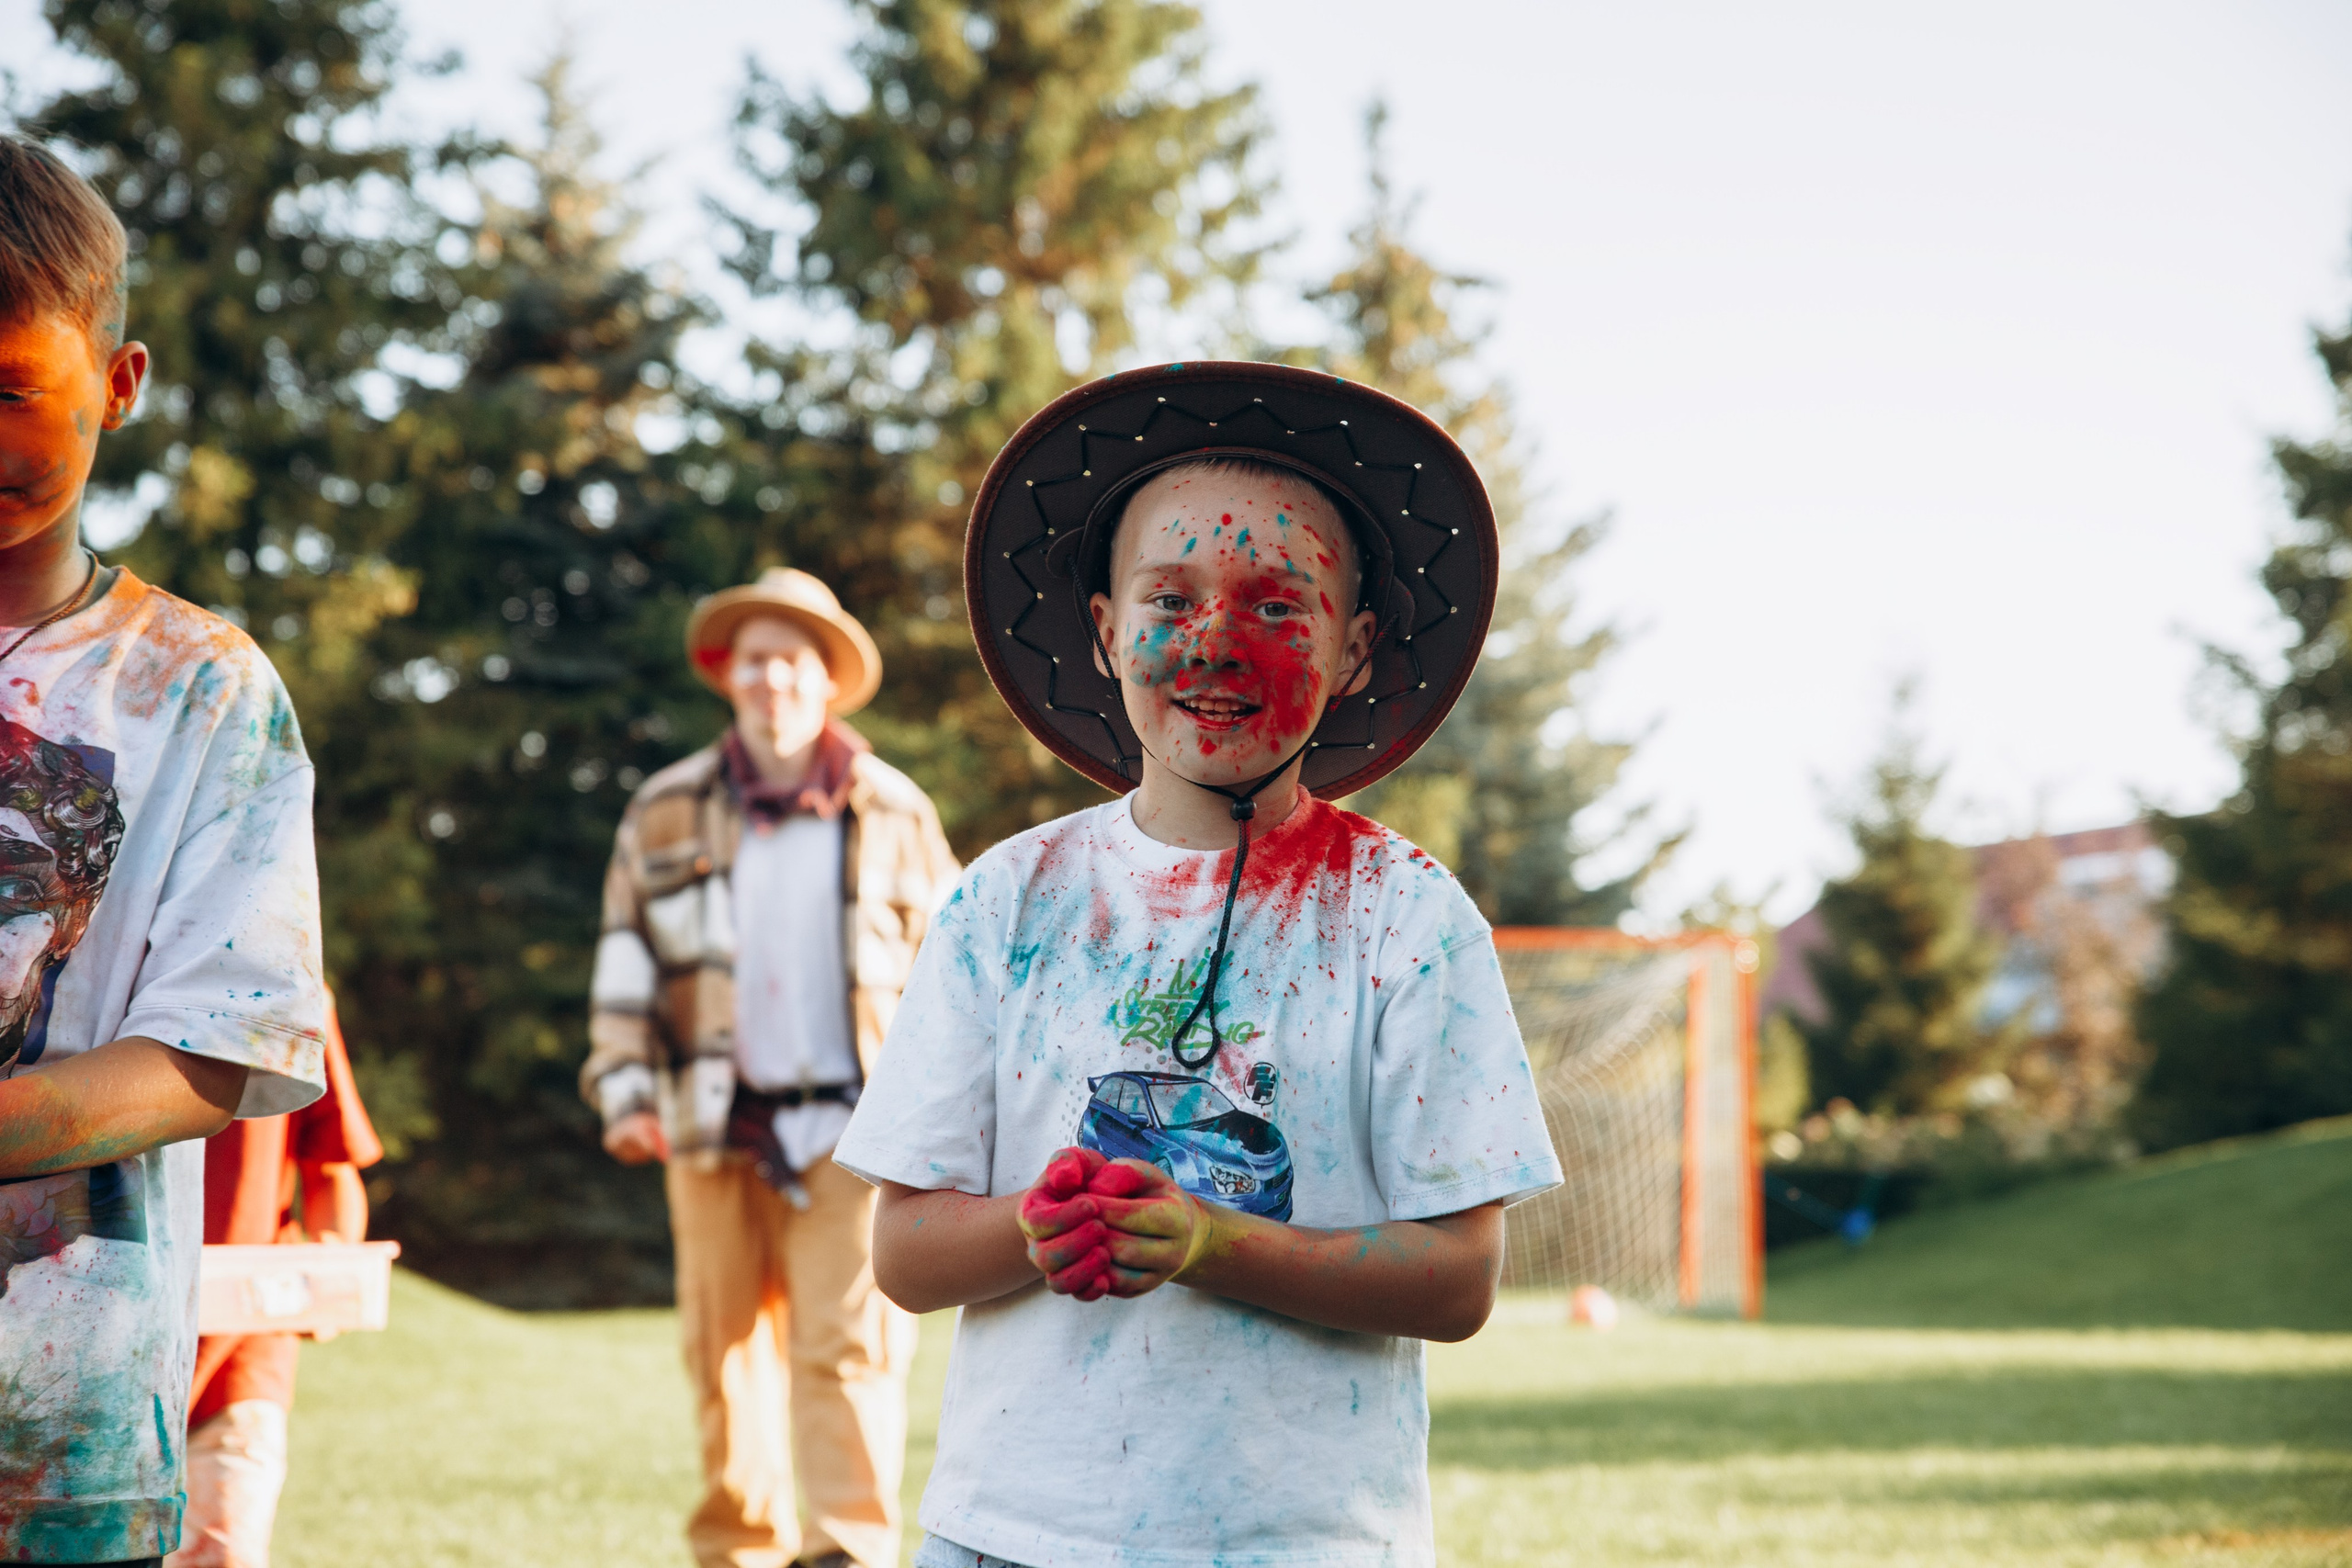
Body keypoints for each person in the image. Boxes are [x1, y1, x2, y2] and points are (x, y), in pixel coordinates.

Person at [831, 362, 1567, 1568]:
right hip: (1010, 1534)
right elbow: (902, 1255)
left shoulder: (1408, 916)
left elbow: (1456, 1277)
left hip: (1306, 1540)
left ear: (1355, 647)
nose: (1217, 639)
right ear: (1108, 631)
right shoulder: (1003, 903)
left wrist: (1215, 1240)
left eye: (1279, 606)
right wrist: (1041, 1222)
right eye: (1170, 599)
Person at [0, 136, 328, 1567]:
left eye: (11, 391)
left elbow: (216, 1048)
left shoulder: (201, 688)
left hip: (59, 1425)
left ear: (117, 385)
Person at [581, 568, 959, 1568]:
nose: (772, 677)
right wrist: (622, 1089)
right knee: (722, 1353)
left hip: (857, 1126)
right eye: (755, 658)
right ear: (728, 675)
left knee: (851, 1355)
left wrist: (952, 1119)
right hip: (710, 1119)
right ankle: (740, 1551)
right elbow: (626, 957)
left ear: (827, 678)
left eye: (793, 658)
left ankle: (845, 1549)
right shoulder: (663, 808)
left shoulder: (895, 809)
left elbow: (956, 981)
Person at [166, 999, 382, 1568]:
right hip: (93, 1337)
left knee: (222, 1551)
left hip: (242, 1347)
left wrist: (333, 1269)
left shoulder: (291, 987)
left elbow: (330, 1166)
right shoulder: (72, 968)